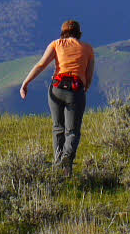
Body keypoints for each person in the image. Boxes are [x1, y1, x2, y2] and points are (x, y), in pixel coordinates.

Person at [18, 20, 97, 170]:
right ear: (79, 33)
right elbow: (89, 75)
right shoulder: (88, 49)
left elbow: (41, 65)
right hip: (75, 89)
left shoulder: (56, 44)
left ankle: (57, 163)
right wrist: (84, 89)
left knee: (58, 128)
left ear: (63, 32)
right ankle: (67, 159)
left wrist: (25, 83)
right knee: (72, 130)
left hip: (57, 88)